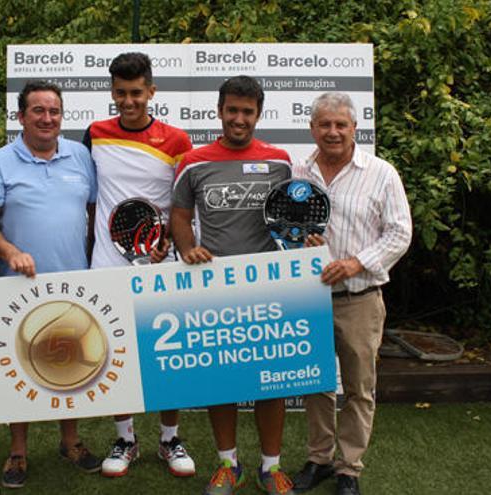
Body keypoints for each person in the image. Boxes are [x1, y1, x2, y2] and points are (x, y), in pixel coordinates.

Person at [171, 75, 295, 495]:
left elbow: (294, 219)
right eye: (232, 110)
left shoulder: (280, 161)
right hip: (214, 288)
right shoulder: (193, 161)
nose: (238, 119)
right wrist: (188, 249)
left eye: (247, 112)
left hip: (267, 288)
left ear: (258, 115)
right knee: (221, 381)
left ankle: (271, 467)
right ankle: (229, 465)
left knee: (270, 382)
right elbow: (179, 215)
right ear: (220, 110)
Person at [0, 80, 101, 489]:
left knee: (73, 365)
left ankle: (71, 442)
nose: (48, 119)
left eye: (54, 111)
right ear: (21, 116)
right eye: (38, 111)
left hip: (73, 283)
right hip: (18, 287)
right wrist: (9, 251)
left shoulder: (81, 156)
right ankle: (18, 451)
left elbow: (92, 213)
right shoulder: (0, 161)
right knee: (21, 369)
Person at [290, 92, 412, 495]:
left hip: (360, 298)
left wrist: (356, 262)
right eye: (324, 124)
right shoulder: (298, 174)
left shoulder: (381, 173)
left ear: (354, 129)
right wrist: (296, 245)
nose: (333, 132)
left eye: (341, 124)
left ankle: (349, 468)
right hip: (311, 298)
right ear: (312, 129)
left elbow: (400, 233)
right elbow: (284, 230)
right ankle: (319, 459)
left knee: (359, 388)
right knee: (317, 383)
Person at [84, 52, 196, 479]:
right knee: (113, 357)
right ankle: (125, 438)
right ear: (112, 92)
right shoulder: (94, 133)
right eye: (120, 93)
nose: (128, 101)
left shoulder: (178, 141)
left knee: (166, 356)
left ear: (151, 92)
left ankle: (170, 439)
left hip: (160, 264)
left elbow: (182, 207)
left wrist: (165, 240)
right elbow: (91, 197)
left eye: (136, 93)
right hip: (106, 265)